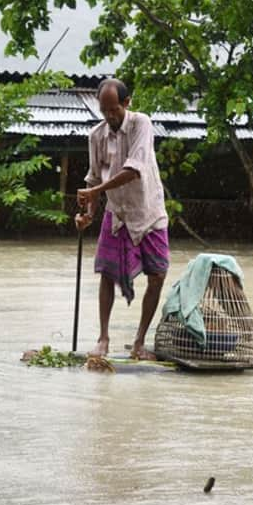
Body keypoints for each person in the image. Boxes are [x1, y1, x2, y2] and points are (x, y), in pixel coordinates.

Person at [75, 79, 169, 360]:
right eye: (104, 110)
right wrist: (87, 214)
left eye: (114, 109)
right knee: (106, 273)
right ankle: (103, 339)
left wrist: (95, 191)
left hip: (148, 210)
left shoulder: (142, 124)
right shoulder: (96, 136)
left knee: (158, 275)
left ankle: (139, 342)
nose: (109, 116)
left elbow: (134, 169)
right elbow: (93, 177)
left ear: (126, 104)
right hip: (117, 214)